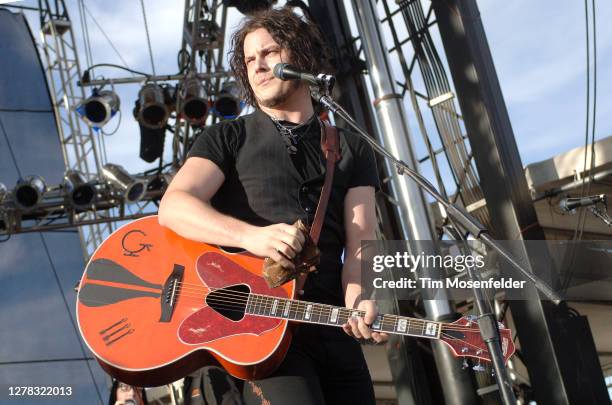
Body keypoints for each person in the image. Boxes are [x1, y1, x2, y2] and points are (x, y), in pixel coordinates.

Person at [158, 7, 387, 405]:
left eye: (269, 52)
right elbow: (174, 207)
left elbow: (362, 242)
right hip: (259, 330)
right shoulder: (226, 138)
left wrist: (359, 298)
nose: (259, 66)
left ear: (300, 55)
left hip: (330, 326)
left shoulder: (350, 149)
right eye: (249, 60)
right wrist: (252, 236)